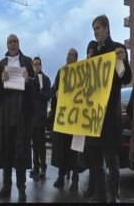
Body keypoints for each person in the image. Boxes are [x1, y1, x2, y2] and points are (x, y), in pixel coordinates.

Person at [85, 15, 132, 203]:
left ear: (106, 28)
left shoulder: (116, 50)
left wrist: (123, 61)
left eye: (97, 28)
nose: (95, 32)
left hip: (109, 118)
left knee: (112, 162)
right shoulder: (94, 54)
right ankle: (102, 198)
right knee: (97, 165)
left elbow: (125, 77)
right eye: (93, 29)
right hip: (93, 119)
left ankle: (114, 198)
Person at [0, 34, 39, 201]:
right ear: (7, 45)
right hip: (6, 116)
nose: (12, 44)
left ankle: (21, 188)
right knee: (6, 151)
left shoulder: (26, 62)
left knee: (20, 154)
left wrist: (28, 81)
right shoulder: (2, 64)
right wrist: (0, 80)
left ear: (19, 44)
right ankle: (6, 186)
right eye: (10, 42)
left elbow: (36, 86)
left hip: (21, 116)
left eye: (15, 41)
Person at [50, 48, 80, 192]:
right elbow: (54, 90)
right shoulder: (61, 72)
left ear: (76, 58)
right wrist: (55, 92)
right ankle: (61, 177)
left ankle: (75, 179)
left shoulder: (81, 72)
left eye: (72, 55)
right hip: (63, 117)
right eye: (68, 54)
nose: (69, 57)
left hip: (75, 118)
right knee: (62, 149)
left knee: (74, 150)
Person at [29, 56, 51, 179]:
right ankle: (35, 167)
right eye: (34, 64)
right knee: (34, 145)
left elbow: (48, 95)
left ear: (41, 65)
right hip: (32, 117)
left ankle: (43, 167)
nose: (36, 66)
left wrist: (40, 91)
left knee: (41, 145)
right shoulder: (31, 79)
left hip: (41, 117)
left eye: (38, 64)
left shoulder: (46, 79)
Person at [81, 40, 98, 198]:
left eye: (92, 51)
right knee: (89, 155)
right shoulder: (83, 70)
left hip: (97, 120)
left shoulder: (100, 67)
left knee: (97, 159)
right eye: (88, 51)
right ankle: (93, 186)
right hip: (85, 121)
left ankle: (95, 187)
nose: (90, 54)